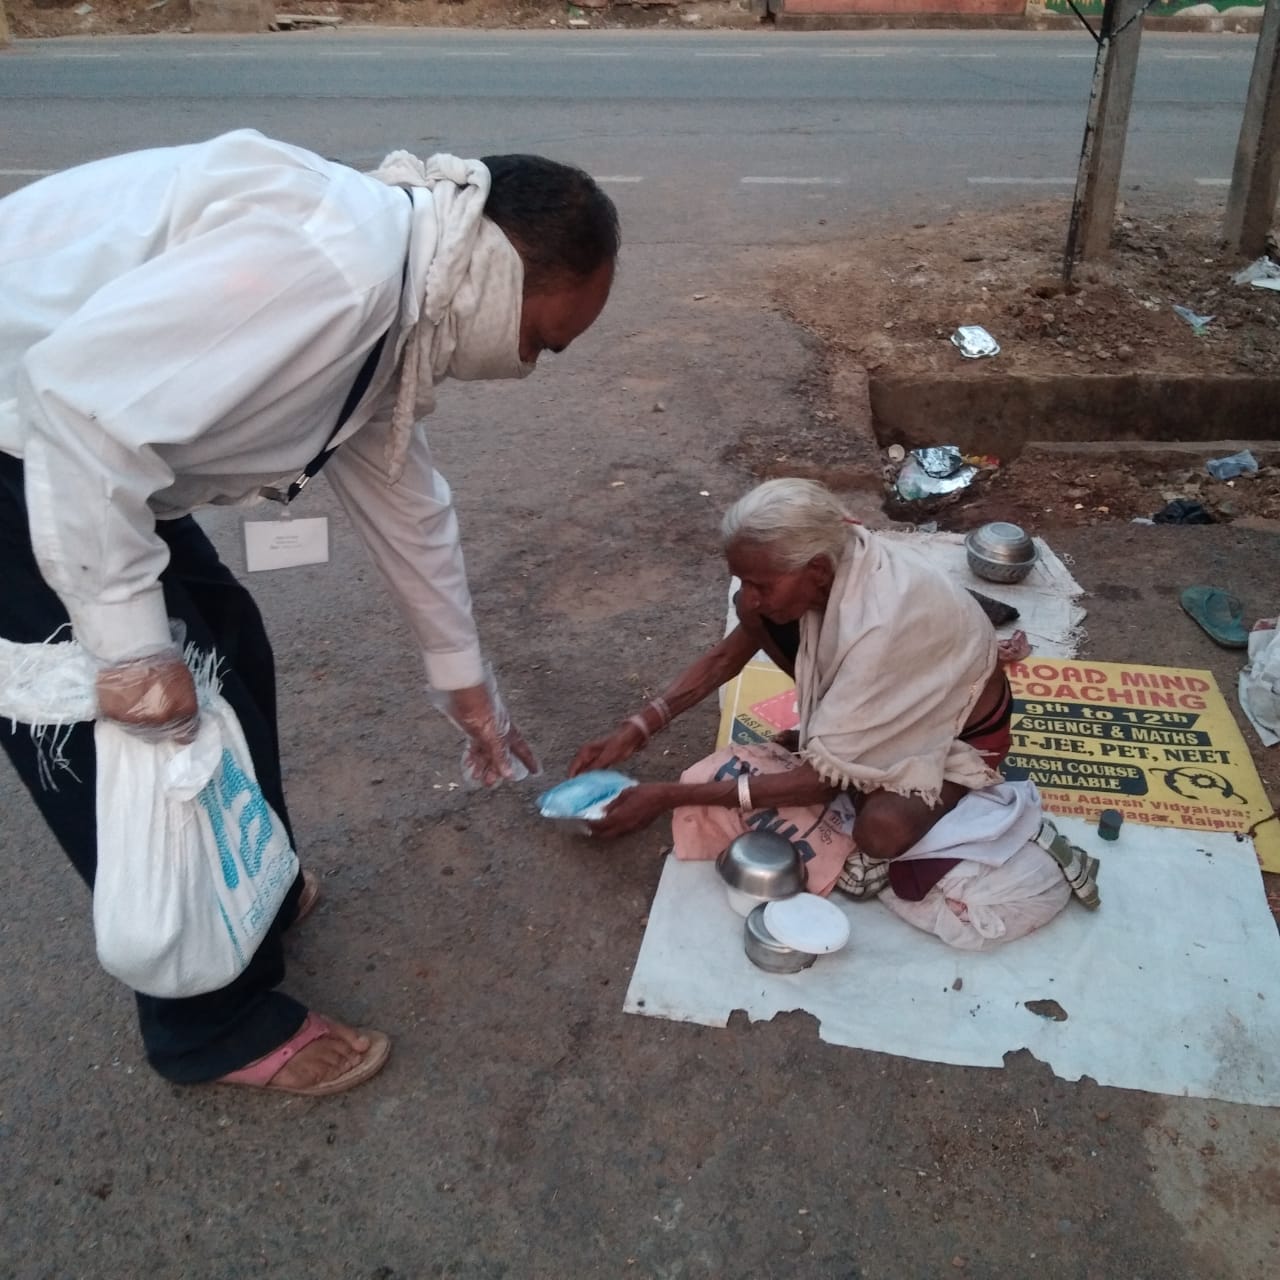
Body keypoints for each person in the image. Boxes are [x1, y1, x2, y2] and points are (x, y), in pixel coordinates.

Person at [0, 129, 619, 1093]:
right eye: (544, 339)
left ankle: (252, 891)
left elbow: (405, 499)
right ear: (500, 276)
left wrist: (468, 688)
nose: (535, 365)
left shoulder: (399, 298)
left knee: (228, 654)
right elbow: (78, 408)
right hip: (31, 457)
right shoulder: (338, 270)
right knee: (141, 741)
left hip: (95, 473)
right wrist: (126, 649)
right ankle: (211, 1027)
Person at [570, 478, 1099, 949]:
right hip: (889, 697)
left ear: (818, 571)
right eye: (744, 580)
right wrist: (637, 728)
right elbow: (728, 655)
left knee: (881, 832)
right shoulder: (834, 559)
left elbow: (819, 784)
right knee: (755, 620)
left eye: (762, 583)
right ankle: (843, 736)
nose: (751, 597)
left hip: (958, 738)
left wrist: (667, 796)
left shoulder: (879, 625)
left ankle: (1020, 834)